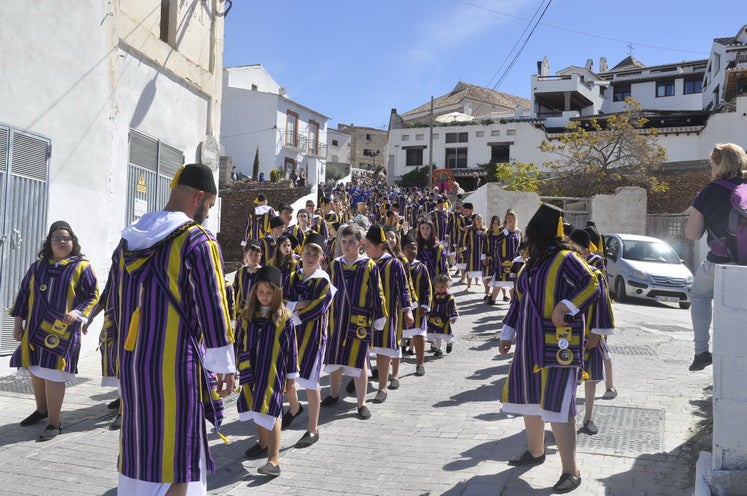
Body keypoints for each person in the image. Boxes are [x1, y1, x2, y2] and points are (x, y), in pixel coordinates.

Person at [106, 163, 235, 495]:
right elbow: (214, 305)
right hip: (177, 369)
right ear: (200, 197)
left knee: (140, 447)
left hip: (134, 366)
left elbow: (115, 307)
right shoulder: (197, 240)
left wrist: (116, 363)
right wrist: (225, 366)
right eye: (209, 205)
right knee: (181, 456)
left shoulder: (126, 241)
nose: (208, 213)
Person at [498, 203, 599, 494]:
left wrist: (566, 306)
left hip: (558, 347)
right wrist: (507, 332)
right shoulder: (532, 264)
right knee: (530, 400)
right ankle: (535, 451)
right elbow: (518, 302)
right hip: (528, 346)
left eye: (530, 231)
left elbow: (591, 284)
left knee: (557, 404)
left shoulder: (567, 258)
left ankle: (572, 471)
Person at [10, 221, 99, 441]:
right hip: (33, 329)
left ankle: (54, 423)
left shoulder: (82, 266)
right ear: (49, 242)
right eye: (56, 238)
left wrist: (77, 313)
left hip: (61, 332)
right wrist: (17, 324)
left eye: (65, 238)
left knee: (53, 374)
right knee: (35, 370)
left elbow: (92, 295)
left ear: (73, 242)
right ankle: (42, 410)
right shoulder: (37, 266)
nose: (61, 242)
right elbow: (23, 295)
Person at [685, 143, 747, 371]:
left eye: (712, 163)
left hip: (720, 262)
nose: (710, 168)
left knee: (699, 294)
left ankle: (701, 351)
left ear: (720, 163)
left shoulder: (708, 193)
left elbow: (692, 234)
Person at [236, 265, 298, 476]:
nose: (264, 296)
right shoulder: (247, 315)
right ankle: (262, 444)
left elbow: (291, 350)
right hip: (249, 370)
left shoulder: (284, 317)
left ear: (277, 293)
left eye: (269, 292)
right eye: (260, 292)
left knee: (271, 412)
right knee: (256, 409)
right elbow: (239, 342)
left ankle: (274, 459)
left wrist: (291, 378)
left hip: (273, 373)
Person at [323, 225, 386, 420]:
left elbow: (378, 293)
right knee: (335, 359)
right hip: (336, 321)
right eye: (343, 242)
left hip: (359, 323)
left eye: (351, 242)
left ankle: (361, 403)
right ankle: (334, 394)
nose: (346, 246)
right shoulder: (335, 265)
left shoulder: (368, 266)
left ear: (360, 243)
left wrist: (379, 318)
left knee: (360, 363)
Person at [282, 233, 336, 447]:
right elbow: (282, 299)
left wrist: (294, 308)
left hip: (313, 336)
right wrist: (297, 304)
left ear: (322, 257)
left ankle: (313, 429)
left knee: (312, 383)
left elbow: (318, 307)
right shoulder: (292, 277)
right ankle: (295, 408)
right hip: (291, 335)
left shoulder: (324, 281)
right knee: (289, 378)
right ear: (301, 253)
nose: (311, 257)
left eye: (316, 253)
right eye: (307, 252)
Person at [569, 229, 615, 436]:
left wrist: (596, 334)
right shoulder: (566, 272)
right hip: (569, 337)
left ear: (586, 251)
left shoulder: (596, 274)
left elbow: (603, 305)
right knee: (569, 379)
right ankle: (567, 417)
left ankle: (588, 418)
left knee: (591, 378)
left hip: (590, 334)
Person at [365, 225, 414, 401]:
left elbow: (404, 289)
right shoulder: (366, 263)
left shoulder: (393, 264)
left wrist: (408, 311)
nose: (366, 249)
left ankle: (383, 387)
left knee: (383, 349)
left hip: (388, 314)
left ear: (379, 246)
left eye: (368, 245)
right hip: (367, 313)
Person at [401, 233, 433, 376]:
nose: (412, 251)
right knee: (396, 338)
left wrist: (425, 306)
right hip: (401, 309)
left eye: (414, 248)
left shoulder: (421, 267)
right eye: (408, 248)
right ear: (402, 249)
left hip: (418, 309)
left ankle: (420, 363)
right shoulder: (398, 265)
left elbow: (427, 288)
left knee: (419, 335)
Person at [487, 209, 522, 305]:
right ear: (505, 219)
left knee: (512, 281)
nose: (510, 220)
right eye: (508, 218)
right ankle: (493, 299)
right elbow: (496, 240)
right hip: (501, 259)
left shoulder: (518, 231)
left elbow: (520, 246)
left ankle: (513, 300)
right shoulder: (501, 229)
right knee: (500, 280)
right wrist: (506, 230)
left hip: (514, 260)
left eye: (512, 218)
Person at [426, 274, 459, 356]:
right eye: (438, 287)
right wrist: (428, 315)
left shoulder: (449, 297)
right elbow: (430, 305)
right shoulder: (433, 296)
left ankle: (449, 342)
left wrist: (453, 316)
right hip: (434, 317)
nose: (440, 289)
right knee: (436, 335)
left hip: (444, 318)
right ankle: (438, 349)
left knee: (446, 333)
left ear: (447, 287)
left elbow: (453, 307)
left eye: (442, 287)